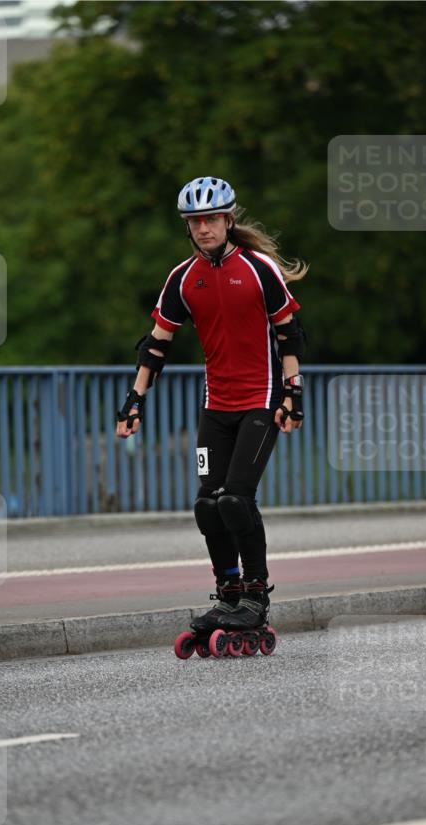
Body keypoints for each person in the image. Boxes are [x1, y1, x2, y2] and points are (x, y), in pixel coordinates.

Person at [116, 176, 308, 640]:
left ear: (228, 220)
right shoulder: (184, 278)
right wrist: (134, 400)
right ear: (187, 226)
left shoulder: (260, 269)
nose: (204, 228)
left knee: (236, 500)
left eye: (211, 219)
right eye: (195, 221)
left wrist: (293, 393)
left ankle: (256, 599)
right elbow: (156, 345)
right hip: (216, 406)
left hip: (261, 401)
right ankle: (228, 593)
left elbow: (289, 334)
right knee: (208, 505)